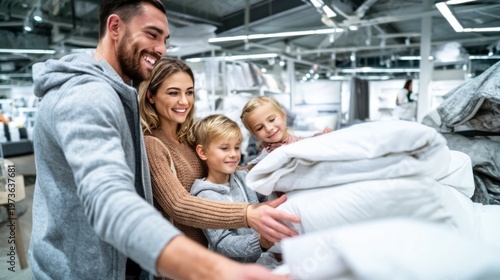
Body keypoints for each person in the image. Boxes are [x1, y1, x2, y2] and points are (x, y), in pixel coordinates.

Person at [28, 1, 289, 279]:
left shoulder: (127, 101)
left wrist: (283, 155)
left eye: (165, 39)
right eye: (152, 34)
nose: (162, 49)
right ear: (115, 26)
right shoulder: (88, 98)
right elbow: (113, 200)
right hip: (80, 270)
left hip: (125, 263)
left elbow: (227, 170)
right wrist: (223, 256)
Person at [138, 57, 300, 248]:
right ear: (151, 96)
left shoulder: (190, 137)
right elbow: (178, 205)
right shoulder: (152, 145)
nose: (184, 101)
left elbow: (232, 168)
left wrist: (277, 155)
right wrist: (247, 214)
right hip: (183, 262)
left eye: (189, 92)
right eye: (173, 93)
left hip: (211, 254)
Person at [188, 114, 277, 264]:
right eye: (224, 148)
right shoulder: (204, 196)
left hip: (258, 261)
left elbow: (265, 197)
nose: (234, 154)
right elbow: (222, 243)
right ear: (202, 152)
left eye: (236, 147)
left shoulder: (242, 177)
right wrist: (260, 242)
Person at [240, 96, 332, 169]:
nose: (268, 128)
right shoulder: (265, 153)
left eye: (271, 120)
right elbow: (254, 168)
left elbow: (306, 145)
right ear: (254, 134)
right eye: (259, 128)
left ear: (283, 115)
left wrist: (323, 137)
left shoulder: (296, 143)